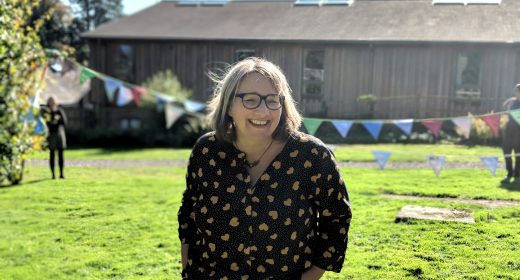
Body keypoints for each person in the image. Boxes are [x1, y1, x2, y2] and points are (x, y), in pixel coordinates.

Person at [177, 57, 352, 279]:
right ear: (229, 105)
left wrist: (311, 276)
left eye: (272, 100)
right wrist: (186, 269)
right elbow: (188, 212)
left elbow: (337, 217)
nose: (263, 111)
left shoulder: (312, 155)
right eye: (250, 100)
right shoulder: (207, 151)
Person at [42, 96, 67, 179]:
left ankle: (61, 174)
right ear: (48, 103)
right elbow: (45, 123)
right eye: (50, 101)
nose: (51, 103)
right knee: (52, 154)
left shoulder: (59, 111)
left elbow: (64, 122)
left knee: (61, 155)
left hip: (60, 134)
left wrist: (56, 122)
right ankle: (53, 174)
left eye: (53, 101)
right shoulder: (46, 112)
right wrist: (52, 123)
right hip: (51, 135)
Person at [501, 84, 520, 183]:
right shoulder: (511, 102)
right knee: (506, 152)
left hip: (519, 132)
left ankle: (517, 174)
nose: (515, 93)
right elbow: (504, 108)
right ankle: (509, 172)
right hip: (509, 131)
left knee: (518, 154)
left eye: (517, 91)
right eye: (515, 91)